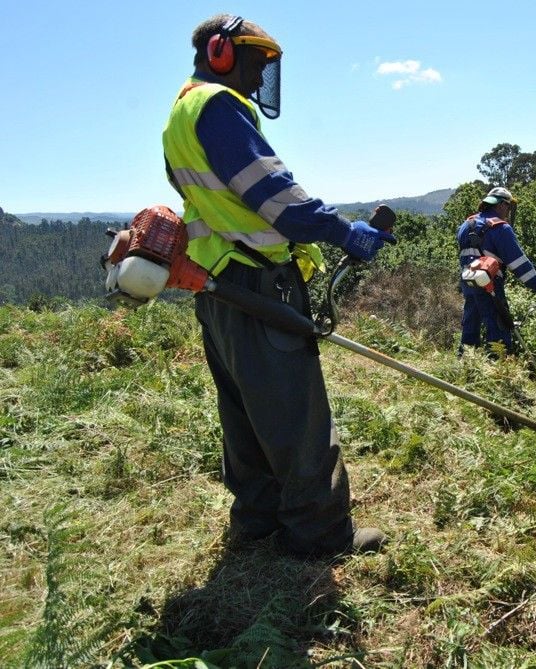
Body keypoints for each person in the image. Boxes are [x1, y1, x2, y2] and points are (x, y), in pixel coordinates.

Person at [162, 15, 395, 558]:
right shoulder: (218, 107)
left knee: (244, 411)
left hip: (218, 285)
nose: (261, 76)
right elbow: (277, 198)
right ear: (222, 53)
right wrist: (345, 232)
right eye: (257, 62)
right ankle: (318, 534)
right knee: (296, 412)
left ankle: (258, 517)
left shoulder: (181, 112)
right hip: (257, 283)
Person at [457, 187, 536, 354]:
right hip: (490, 287)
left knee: (470, 327)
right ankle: (499, 374)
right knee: (498, 331)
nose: (508, 211)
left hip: (468, 283)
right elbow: (520, 265)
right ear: (502, 205)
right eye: (508, 207)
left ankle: (466, 370)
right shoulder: (501, 228)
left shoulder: (465, 226)